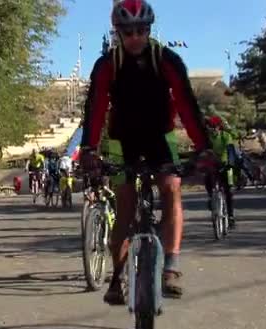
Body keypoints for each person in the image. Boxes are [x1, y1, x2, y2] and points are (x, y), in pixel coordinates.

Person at [80, 0, 212, 303]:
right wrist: (88, 148)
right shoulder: (106, 65)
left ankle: (172, 266)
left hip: (159, 136)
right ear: (118, 33)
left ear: (150, 30)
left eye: (141, 30)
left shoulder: (166, 60)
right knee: (125, 205)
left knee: (171, 188)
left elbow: (186, 104)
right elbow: (96, 107)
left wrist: (203, 147)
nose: (135, 37)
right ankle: (118, 277)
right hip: (122, 138)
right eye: (128, 32)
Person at [204, 115, 236, 229]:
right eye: (209, 126)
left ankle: (231, 216)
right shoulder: (207, 137)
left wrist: (230, 163)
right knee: (207, 179)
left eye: (213, 126)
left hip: (226, 164)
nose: (211, 128)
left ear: (218, 126)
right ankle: (210, 198)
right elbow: (203, 151)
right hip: (213, 165)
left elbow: (231, 151)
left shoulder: (226, 136)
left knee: (229, 190)